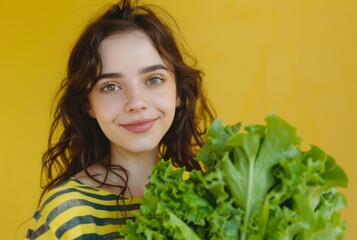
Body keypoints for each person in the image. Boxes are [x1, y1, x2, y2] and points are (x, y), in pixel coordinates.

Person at [25, 0, 215, 239]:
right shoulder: (68, 214)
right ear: (88, 104)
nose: (136, 102)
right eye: (111, 86)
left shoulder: (209, 200)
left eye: (154, 79)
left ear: (178, 92)